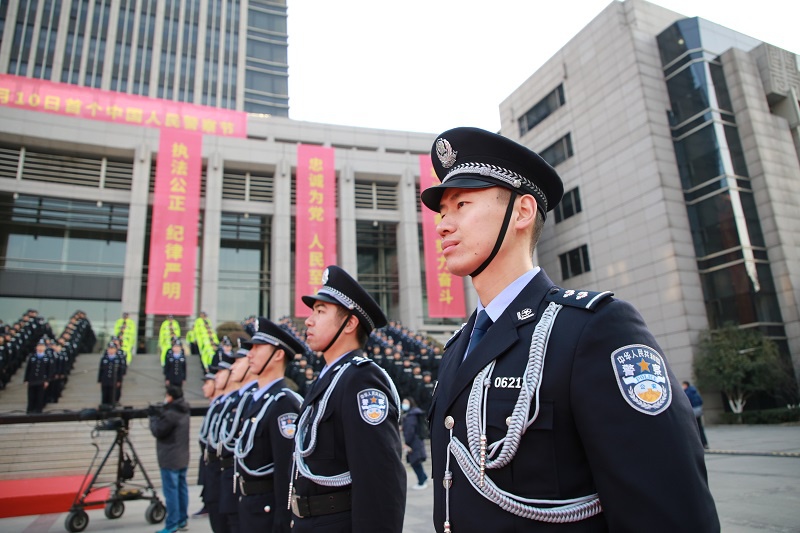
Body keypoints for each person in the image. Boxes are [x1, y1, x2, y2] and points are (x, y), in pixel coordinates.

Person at [420, 127, 720, 532]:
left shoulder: (594, 330)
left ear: (522, 212)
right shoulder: (459, 346)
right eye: (442, 211)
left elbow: (669, 512)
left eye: (462, 204)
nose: (442, 224)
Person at [291, 265, 406, 532]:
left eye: (320, 312)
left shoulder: (360, 380)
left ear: (349, 323)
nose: (309, 320)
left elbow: (381, 481)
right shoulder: (330, 378)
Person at [235, 317, 305, 531]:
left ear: (278, 354)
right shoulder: (254, 400)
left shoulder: (284, 404)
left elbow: (287, 472)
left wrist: (283, 523)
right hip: (249, 507)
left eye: (258, 347)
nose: (250, 354)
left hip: (268, 513)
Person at [149, 385, 191, 533]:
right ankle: (182, 519)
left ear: (170, 397)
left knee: (171, 491)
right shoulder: (184, 410)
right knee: (181, 489)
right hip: (182, 456)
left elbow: (158, 431)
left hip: (170, 457)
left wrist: (153, 417)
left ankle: (172, 524)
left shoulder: (171, 414)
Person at [401, 397, 429, 490]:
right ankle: (423, 478)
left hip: (413, 442)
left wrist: (407, 443)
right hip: (417, 440)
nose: (403, 404)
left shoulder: (411, 415)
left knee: (415, 462)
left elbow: (410, 430)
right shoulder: (413, 414)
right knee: (416, 462)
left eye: (405, 402)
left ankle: (422, 481)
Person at [23, 339, 52, 413]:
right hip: (32, 380)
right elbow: (28, 369)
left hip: (41, 380)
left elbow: (49, 370)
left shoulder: (47, 358)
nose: (40, 348)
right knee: (31, 396)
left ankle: (38, 410)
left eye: (42, 346)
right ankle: (30, 410)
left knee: (40, 397)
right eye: (39, 346)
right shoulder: (32, 357)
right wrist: (26, 379)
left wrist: (47, 380)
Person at [683, 381, 710, 449]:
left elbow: (686, 403)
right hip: (698, 411)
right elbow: (701, 401)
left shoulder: (687, 392)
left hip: (692, 413)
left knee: (693, 429)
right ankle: (704, 443)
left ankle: (697, 445)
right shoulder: (695, 392)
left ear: (686, 385)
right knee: (700, 428)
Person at [97, 342, 126, 406]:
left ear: (115, 350)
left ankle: (112, 406)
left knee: (112, 395)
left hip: (114, 380)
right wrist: (100, 379)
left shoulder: (118, 359)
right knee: (104, 395)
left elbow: (120, 371)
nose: (111, 350)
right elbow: (101, 370)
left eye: (113, 349)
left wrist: (119, 380)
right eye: (110, 348)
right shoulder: (104, 359)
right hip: (105, 380)